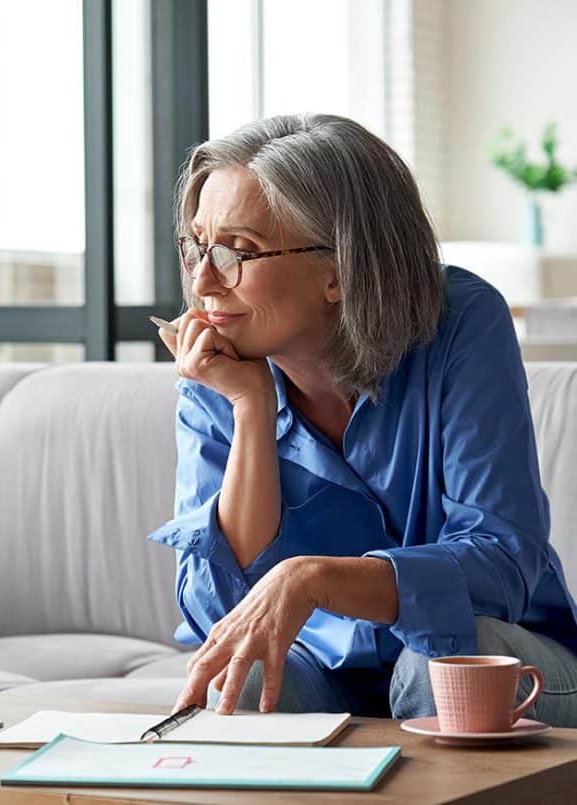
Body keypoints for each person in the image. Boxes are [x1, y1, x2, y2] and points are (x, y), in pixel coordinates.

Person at [148, 113, 577, 725]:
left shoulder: (461, 323)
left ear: (338, 269)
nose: (205, 280)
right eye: (198, 246)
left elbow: (501, 563)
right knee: (236, 682)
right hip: (328, 669)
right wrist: (250, 410)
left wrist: (317, 579)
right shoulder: (219, 366)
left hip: (501, 653)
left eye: (238, 251)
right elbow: (220, 610)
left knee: (439, 665)